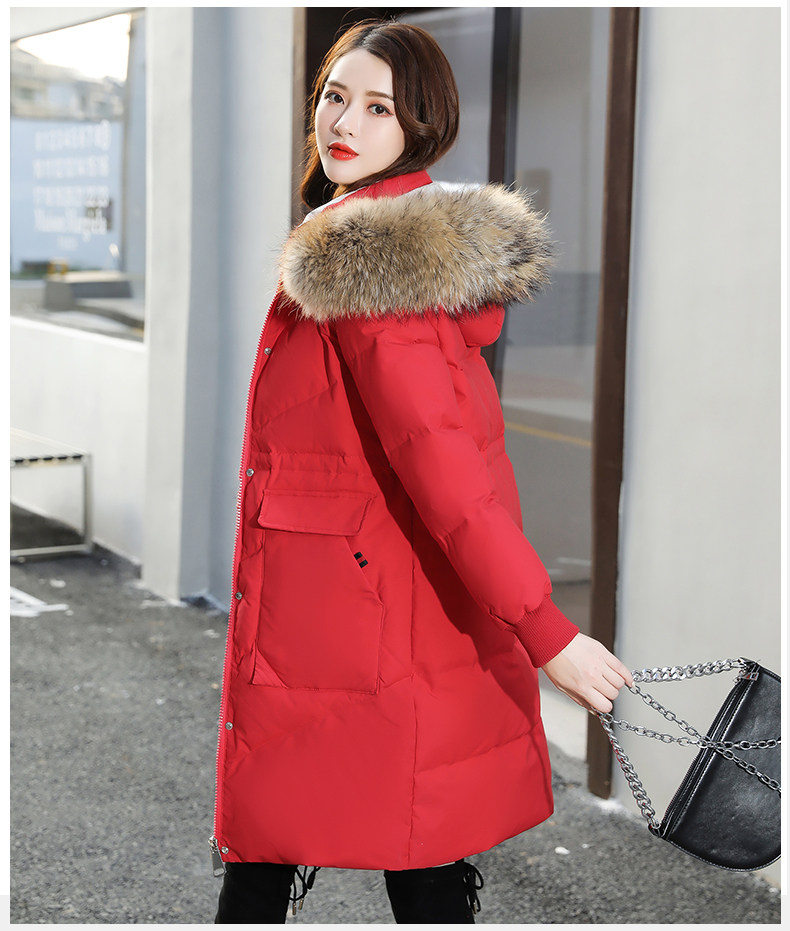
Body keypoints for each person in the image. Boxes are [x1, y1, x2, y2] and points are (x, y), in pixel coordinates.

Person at [211, 19, 632, 924]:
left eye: (378, 108)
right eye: (335, 96)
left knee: (313, 847)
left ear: (420, 127)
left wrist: (547, 630)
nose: (343, 123)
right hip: (372, 594)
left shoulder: (369, 266)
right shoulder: (375, 246)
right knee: (406, 837)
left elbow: (445, 468)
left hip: (348, 608)